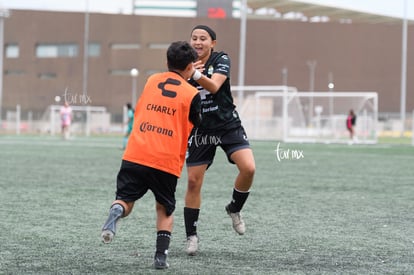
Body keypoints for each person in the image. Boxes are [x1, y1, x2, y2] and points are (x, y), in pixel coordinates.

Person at [100, 41, 201, 269]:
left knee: (125, 200)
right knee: (164, 209)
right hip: (165, 159)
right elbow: (197, 123)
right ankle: (160, 257)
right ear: (190, 67)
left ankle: (117, 210)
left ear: (167, 62)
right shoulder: (192, 93)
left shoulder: (151, 81)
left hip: (136, 153)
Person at [184, 25, 256, 256]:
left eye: (203, 38)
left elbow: (214, 86)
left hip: (227, 125)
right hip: (201, 129)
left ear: (212, 43)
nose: (197, 42)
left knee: (249, 168)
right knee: (194, 182)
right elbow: (179, 94)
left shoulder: (221, 58)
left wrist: (194, 74)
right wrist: (185, 75)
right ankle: (192, 236)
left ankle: (234, 209)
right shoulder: (183, 64)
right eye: (194, 38)